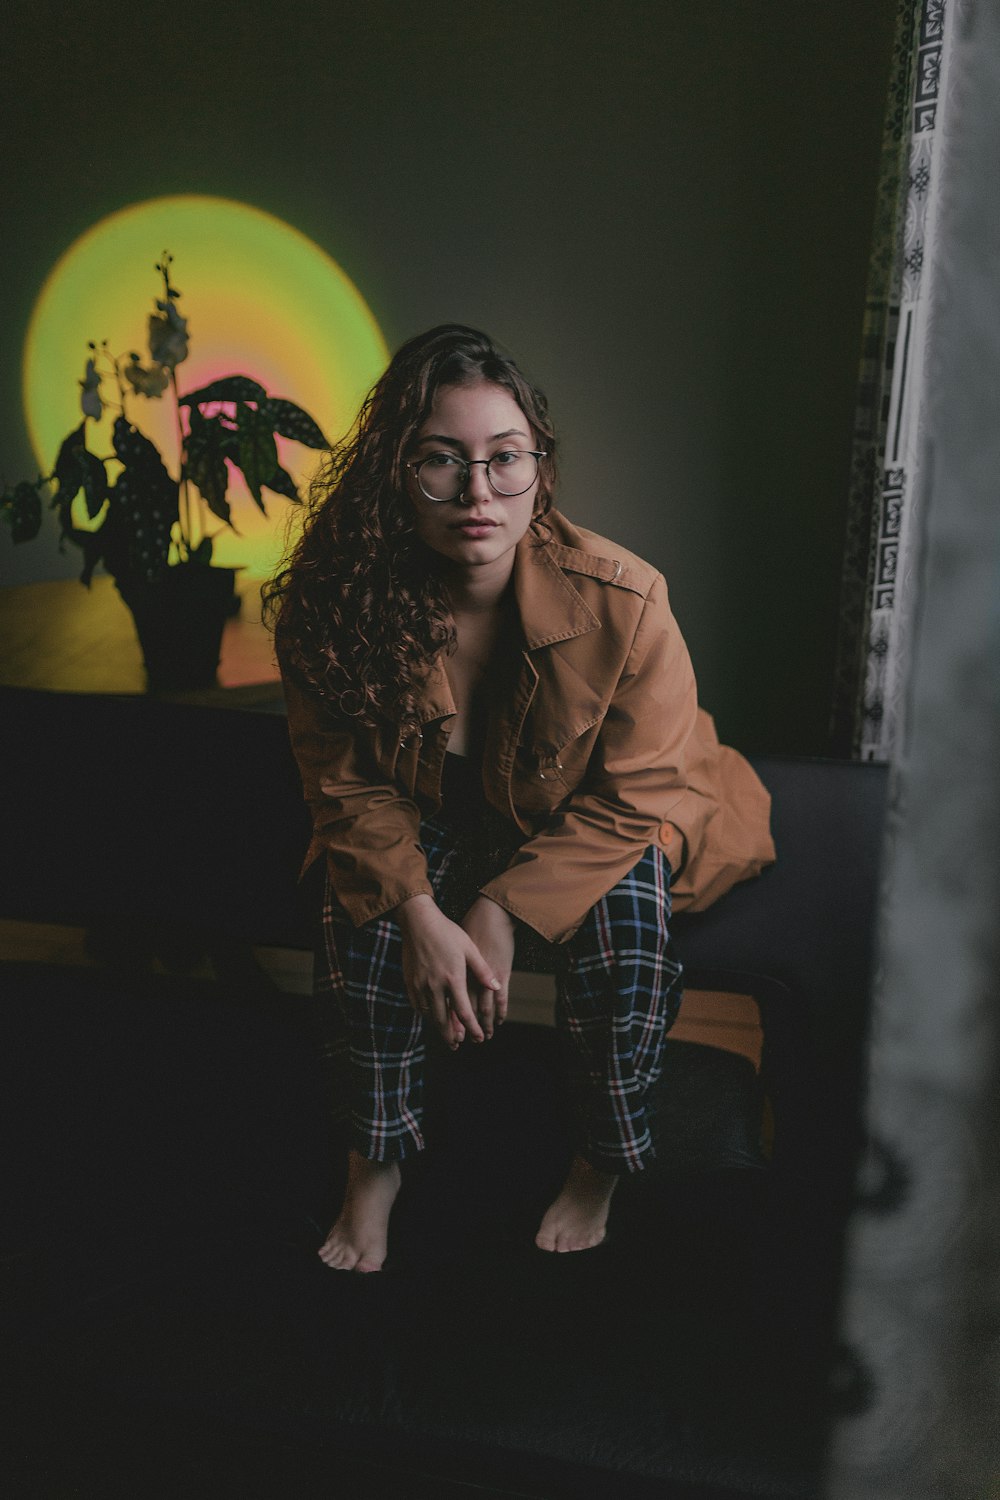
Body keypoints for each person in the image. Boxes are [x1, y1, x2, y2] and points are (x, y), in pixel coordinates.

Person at [266, 324, 773, 1272]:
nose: (477, 493)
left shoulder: (626, 599)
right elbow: (342, 784)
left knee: (632, 932)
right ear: (395, 472)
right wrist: (419, 909)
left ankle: (600, 1161)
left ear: (539, 468)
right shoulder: (334, 605)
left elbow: (637, 797)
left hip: (583, 819)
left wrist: (500, 909)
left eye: (505, 460)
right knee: (363, 919)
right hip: (423, 816)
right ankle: (374, 1161)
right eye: (441, 462)